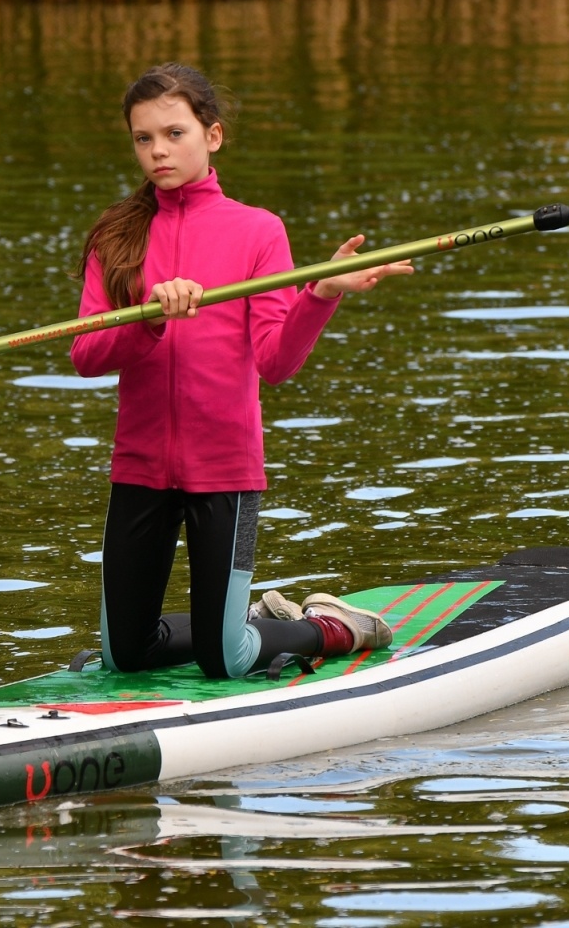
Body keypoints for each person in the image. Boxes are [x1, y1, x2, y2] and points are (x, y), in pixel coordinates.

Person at [70, 63, 413, 679]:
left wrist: (322, 293)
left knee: (224, 661)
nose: (158, 152)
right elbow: (86, 357)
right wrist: (147, 321)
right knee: (123, 656)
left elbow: (276, 363)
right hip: (141, 468)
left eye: (174, 134)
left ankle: (331, 626)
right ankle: (240, 624)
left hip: (224, 471)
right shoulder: (115, 238)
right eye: (143, 139)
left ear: (213, 136)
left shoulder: (258, 232)